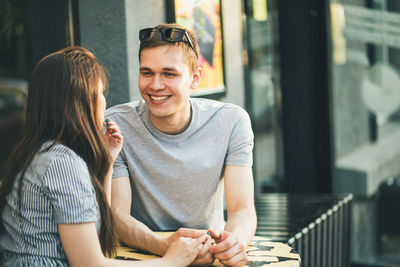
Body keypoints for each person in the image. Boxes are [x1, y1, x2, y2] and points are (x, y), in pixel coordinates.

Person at [0, 46, 207, 267]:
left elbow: (93, 237)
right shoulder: (62, 163)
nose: (103, 102)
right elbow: (89, 263)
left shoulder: (41, 152)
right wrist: (171, 261)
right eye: (100, 93)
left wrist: (107, 162)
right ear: (81, 102)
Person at [106, 24, 257, 266]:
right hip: (142, 257)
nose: (155, 85)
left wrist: (235, 242)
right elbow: (117, 215)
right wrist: (166, 247)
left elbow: (242, 208)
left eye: (169, 73)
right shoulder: (115, 124)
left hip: (208, 254)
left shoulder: (231, 121)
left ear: (195, 78)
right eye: (147, 73)